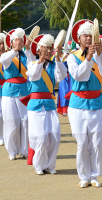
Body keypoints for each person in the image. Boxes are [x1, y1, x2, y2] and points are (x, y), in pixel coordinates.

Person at [66, 20, 102, 188]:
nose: (88, 38)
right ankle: (84, 176)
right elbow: (79, 76)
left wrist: (99, 55)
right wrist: (87, 58)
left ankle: (95, 175)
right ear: (78, 39)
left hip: (96, 102)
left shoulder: (101, 55)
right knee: (82, 142)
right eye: (85, 35)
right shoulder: (72, 57)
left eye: (91, 35)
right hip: (78, 103)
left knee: (98, 142)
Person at [25, 34, 67, 175]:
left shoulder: (55, 64)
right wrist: (41, 59)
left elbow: (61, 77)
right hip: (35, 106)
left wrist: (59, 58)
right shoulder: (31, 64)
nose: (49, 51)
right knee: (41, 137)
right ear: (39, 49)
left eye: (51, 48)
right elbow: (34, 75)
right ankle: (39, 165)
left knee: (55, 135)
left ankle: (49, 165)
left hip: (49, 104)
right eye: (46, 48)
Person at [0, 28, 35, 160]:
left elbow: (33, 64)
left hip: (24, 89)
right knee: (11, 121)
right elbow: (4, 61)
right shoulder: (6, 55)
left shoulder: (26, 55)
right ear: (11, 42)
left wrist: (28, 48)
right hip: (9, 91)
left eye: (21, 40)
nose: (19, 42)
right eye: (16, 40)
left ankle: (25, 150)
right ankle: (12, 151)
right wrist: (15, 50)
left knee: (26, 121)